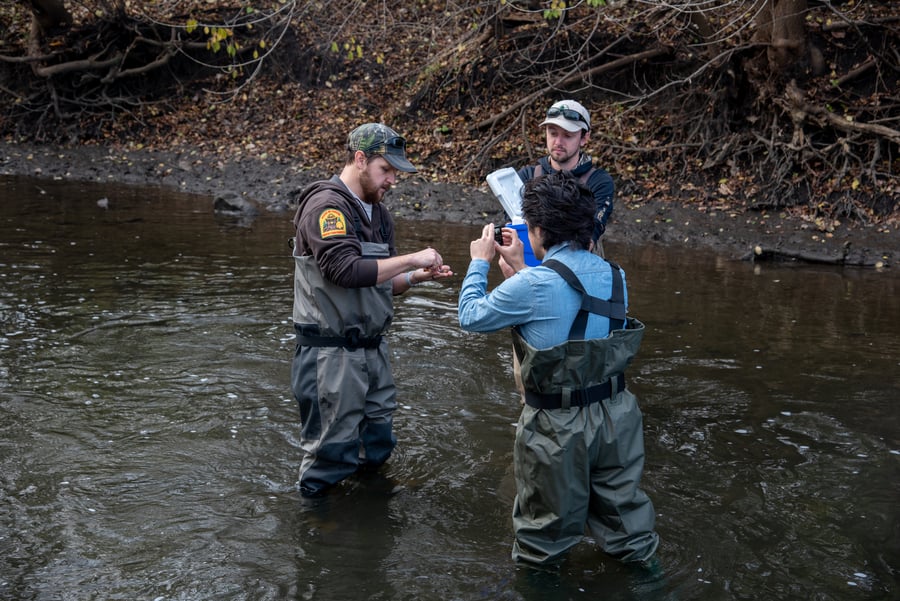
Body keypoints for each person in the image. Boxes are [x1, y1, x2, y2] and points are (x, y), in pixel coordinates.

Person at [458, 172, 659, 568]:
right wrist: (520, 269)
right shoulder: (616, 276)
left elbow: (471, 316)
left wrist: (479, 264)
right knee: (629, 529)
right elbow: (571, 314)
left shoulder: (533, 285)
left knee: (542, 539)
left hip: (556, 427)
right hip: (616, 416)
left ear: (537, 229)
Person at [290, 123, 453, 499]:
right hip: (329, 356)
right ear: (360, 159)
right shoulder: (326, 207)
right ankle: (319, 532)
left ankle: (368, 512)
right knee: (329, 454)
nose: (393, 179)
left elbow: (378, 283)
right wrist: (410, 256)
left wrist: (415, 276)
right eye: (387, 169)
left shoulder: (379, 216)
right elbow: (344, 271)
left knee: (377, 442)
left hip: (371, 351)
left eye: (396, 172)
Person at [516, 99, 614, 255]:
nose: (558, 142)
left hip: (580, 273)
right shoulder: (526, 176)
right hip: (524, 269)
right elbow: (510, 228)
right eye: (553, 133)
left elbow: (589, 239)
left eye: (567, 136)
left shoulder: (599, 182)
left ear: (584, 138)